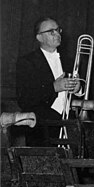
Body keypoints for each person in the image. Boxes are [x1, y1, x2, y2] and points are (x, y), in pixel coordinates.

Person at [16, 17, 79, 146]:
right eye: (51, 31)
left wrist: (78, 89)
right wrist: (53, 87)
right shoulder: (27, 62)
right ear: (39, 37)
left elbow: (77, 91)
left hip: (69, 123)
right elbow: (24, 99)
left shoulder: (70, 61)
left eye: (58, 30)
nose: (57, 34)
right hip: (42, 127)